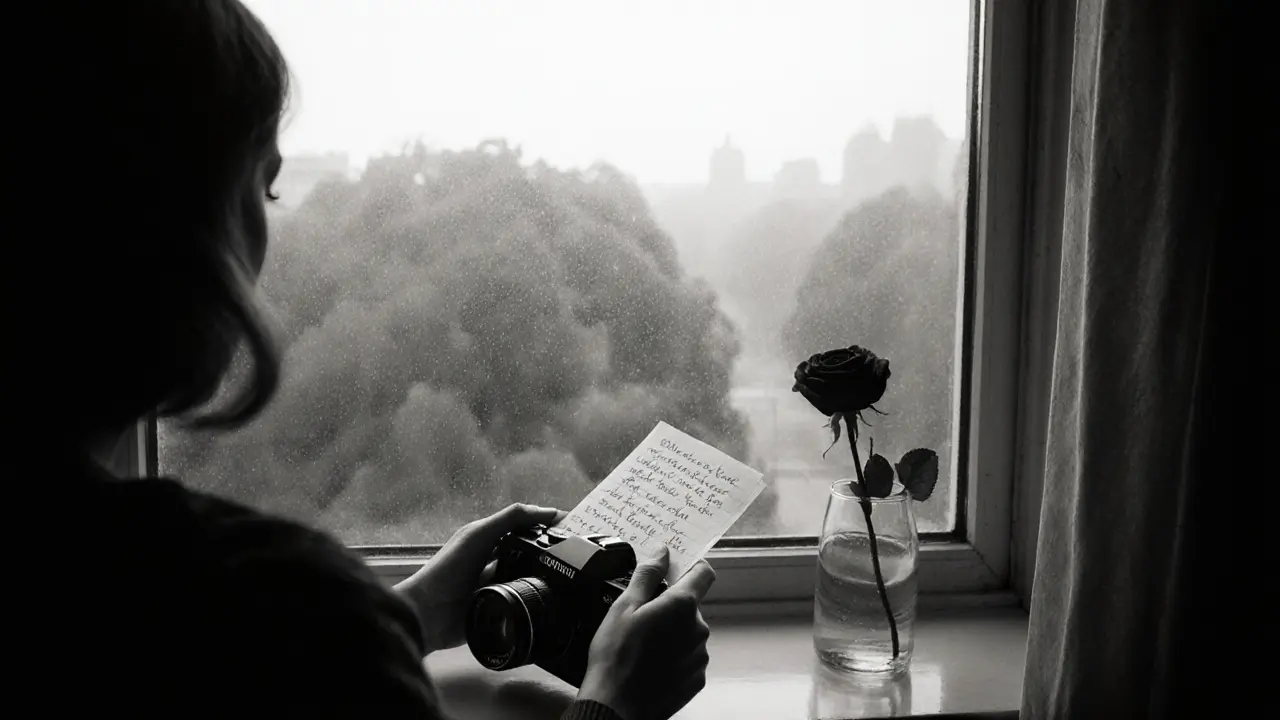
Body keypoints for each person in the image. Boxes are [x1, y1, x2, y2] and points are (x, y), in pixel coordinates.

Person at [22, 2, 714, 718]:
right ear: (171, 227)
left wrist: (400, 619)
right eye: (265, 187)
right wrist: (614, 705)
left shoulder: (192, 609)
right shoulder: (280, 602)